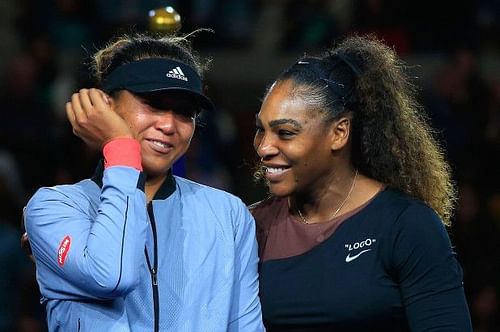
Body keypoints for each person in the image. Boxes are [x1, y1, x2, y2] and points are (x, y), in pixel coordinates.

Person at [23, 33, 264, 331]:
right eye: (153, 104)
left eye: (185, 112)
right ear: (106, 107)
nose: (168, 125)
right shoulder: (54, 207)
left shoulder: (228, 213)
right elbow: (112, 276)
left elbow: (246, 326)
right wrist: (121, 145)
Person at [250, 34, 473, 331]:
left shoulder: (407, 225)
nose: (264, 147)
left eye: (286, 133)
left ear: (339, 133)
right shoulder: (249, 225)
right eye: (260, 130)